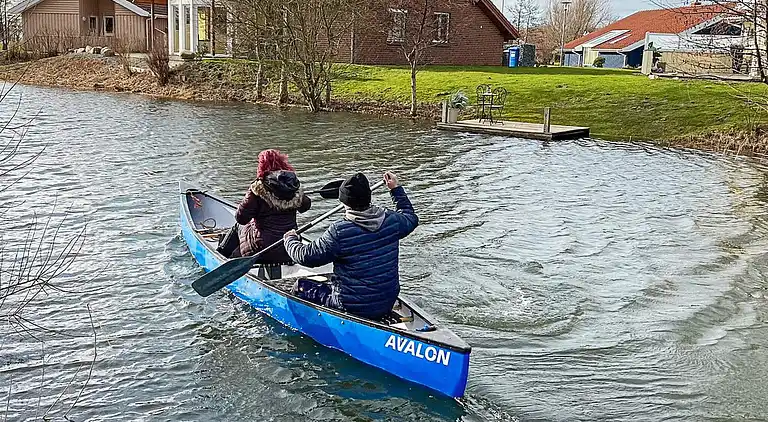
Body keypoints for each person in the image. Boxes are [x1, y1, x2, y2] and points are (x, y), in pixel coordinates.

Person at [282, 171, 418, 320]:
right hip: (387, 300)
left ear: (344, 203)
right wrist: (395, 189)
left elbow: (307, 257)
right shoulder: (392, 220)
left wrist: (290, 240)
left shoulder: (339, 231)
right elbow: (410, 216)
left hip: (350, 305)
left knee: (300, 285)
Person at [216, 149, 311, 263]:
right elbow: (305, 207)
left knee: (238, 226)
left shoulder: (258, 189)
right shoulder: (293, 186)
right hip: (289, 245)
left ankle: (220, 255)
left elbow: (241, 218)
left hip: (261, 248)